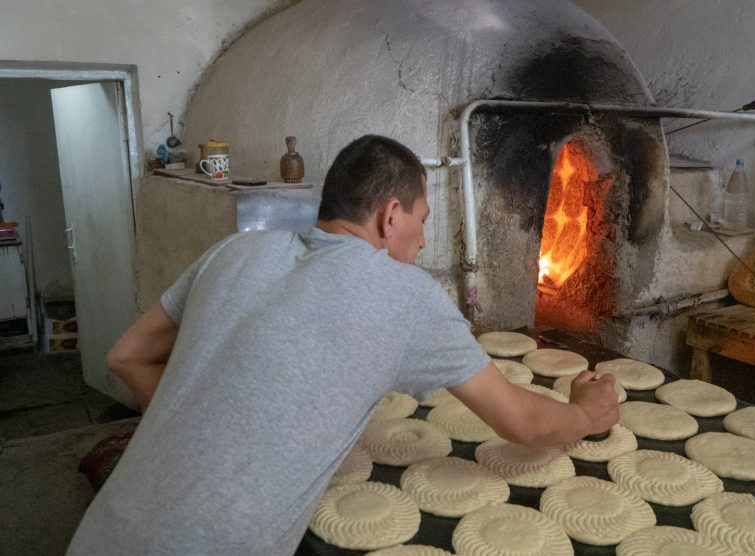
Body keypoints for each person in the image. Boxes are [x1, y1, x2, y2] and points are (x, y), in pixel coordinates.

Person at [67, 135, 618, 555]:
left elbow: (125, 357)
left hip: (100, 532)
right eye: (422, 220)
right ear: (390, 215)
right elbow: (522, 422)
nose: (423, 239)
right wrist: (587, 414)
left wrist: (208, 420)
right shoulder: (406, 295)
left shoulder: (233, 252)